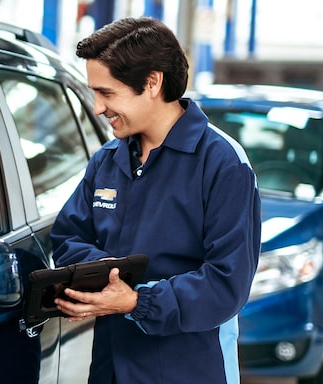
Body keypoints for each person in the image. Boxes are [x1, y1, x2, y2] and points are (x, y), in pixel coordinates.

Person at [49, 17, 261, 384]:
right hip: (111, 368)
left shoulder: (222, 164)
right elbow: (67, 239)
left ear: (152, 82)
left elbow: (227, 284)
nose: (97, 107)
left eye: (107, 93)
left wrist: (136, 300)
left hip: (190, 370)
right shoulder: (108, 160)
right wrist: (110, 275)